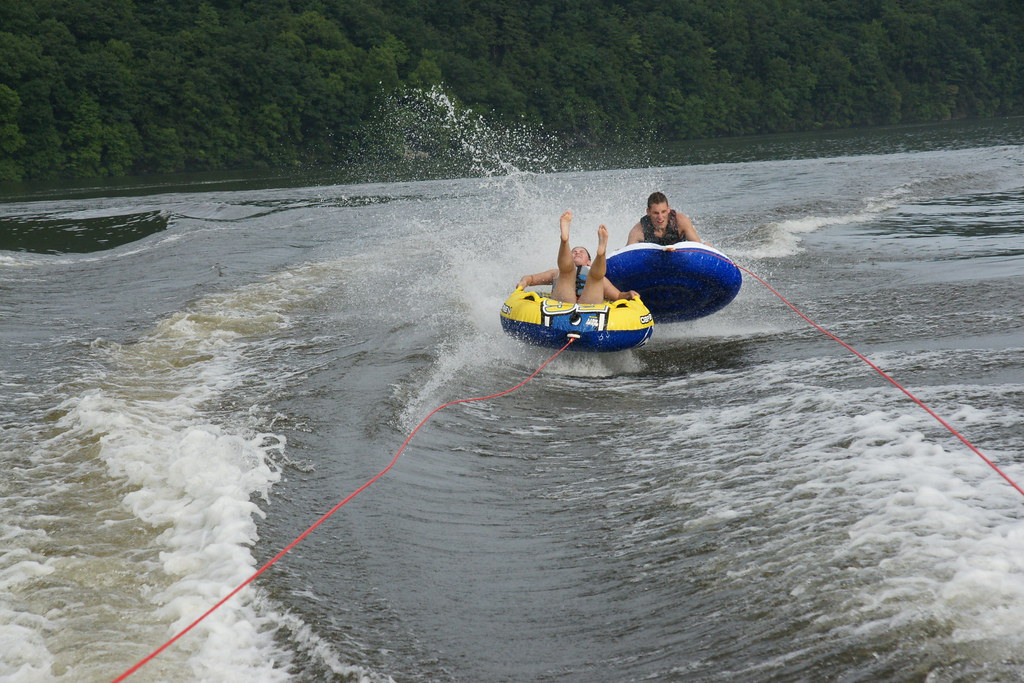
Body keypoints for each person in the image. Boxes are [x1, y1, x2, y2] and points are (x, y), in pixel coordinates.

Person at [518, 210, 638, 305]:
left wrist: (629, 294)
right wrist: (523, 282)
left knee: (596, 277)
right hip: (563, 302)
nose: (577, 253)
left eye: (582, 252)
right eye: (574, 252)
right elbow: (531, 278)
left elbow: (617, 296)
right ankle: (564, 240)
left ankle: (601, 252)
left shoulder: (600, 279)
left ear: (588, 262)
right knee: (566, 271)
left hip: (589, 304)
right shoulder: (556, 273)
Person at [626, 191, 703, 245]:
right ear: (648, 212)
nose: (660, 217)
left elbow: (698, 245)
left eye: (663, 212)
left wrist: (705, 246)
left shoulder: (681, 221)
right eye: (656, 213)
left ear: (668, 209)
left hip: (680, 254)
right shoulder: (639, 230)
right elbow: (627, 254)